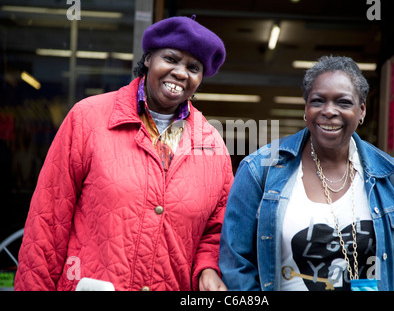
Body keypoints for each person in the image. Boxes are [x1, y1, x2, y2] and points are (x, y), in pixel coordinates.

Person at [15, 16, 232, 291]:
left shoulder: (213, 147)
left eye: (193, 67)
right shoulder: (87, 119)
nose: (180, 72)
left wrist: (208, 266)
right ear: (149, 58)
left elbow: (217, 231)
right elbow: (47, 223)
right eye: (171, 59)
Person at [219, 55, 394, 291]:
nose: (329, 111)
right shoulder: (260, 170)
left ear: (362, 111)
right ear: (306, 109)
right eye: (318, 101)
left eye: (343, 102)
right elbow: (235, 264)